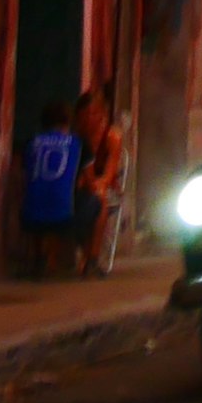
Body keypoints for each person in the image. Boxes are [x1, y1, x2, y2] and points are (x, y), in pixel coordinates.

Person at [20, 102, 80, 278]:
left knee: (39, 198)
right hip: (63, 216)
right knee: (91, 202)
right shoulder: (74, 143)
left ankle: (40, 259)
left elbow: (26, 171)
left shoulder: (33, 142)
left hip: (30, 214)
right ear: (68, 121)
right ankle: (71, 260)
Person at [74, 88, 127, 276]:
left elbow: (110, 173)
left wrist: (97, 186)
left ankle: (93, 258)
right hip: (82, 185)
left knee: (100, 201)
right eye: (85, 114)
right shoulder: (76, 137)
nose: (89, 119)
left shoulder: (112, 137)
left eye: (93, 113)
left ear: (102, 114)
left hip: (105, 186)